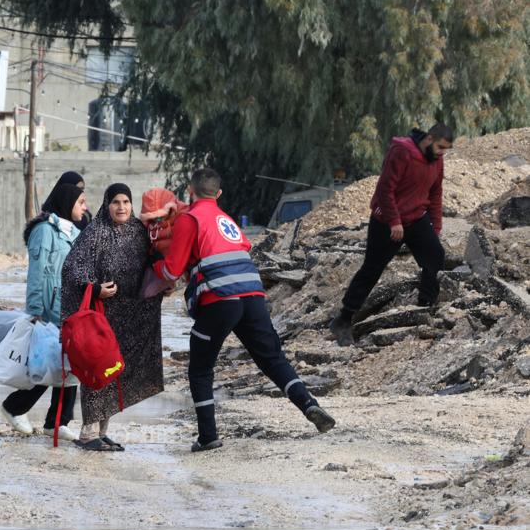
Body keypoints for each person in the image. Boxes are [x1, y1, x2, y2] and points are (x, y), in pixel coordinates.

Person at [153, 168, 337, 452]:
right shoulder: (227, 220)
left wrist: (153, 263)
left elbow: (172, 270)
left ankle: (207, 437)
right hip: (252, 294)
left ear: (190, 190)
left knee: (201, 369)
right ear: (219, 194)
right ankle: (309, 404)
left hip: (220, 299)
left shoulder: (189, 220)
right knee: (272, 358)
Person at [330, 124, 453, 346]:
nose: (442, 153)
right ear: (429, 139)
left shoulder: (437, 160)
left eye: (446, 150)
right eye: (440, 147)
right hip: (386, 220)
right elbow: (385, 189)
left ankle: (425, 309)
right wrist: (394, 221)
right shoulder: (402, 152)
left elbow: (435, 192)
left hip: (416, 217)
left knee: (435, 256)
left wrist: (435, 227)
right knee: (372, 268)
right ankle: (344, 319)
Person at [61, 183, 162, 451]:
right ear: (107, 204)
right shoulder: (95, 232)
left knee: (114, 371)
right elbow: (72, 268)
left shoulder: (137, 231)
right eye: (116, 202)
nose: (121, 207)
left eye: (126, 202)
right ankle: (87, 433)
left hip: (128, 314)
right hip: (101, 315)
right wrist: (94, 289)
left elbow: (152, 261)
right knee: (97, 369)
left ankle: (102, 431)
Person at [0, 183, 88, 441]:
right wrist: (36, 309)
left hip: (70, 307)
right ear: (67, 201)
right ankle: (14, 407)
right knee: (48, 365)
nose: (85, 207)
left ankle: (58, 422)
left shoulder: (71, 231)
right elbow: (36, 273)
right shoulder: (44, 231)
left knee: (69, 366)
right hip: (50, 310)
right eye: (81, 201)